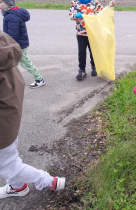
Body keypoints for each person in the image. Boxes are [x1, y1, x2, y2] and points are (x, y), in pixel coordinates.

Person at [0, 31, 65, 199]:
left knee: (9, 164)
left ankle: (48, 181)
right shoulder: (3, 43)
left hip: (3, 121)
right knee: (9, 156)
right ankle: (16, 187)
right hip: (10, 112)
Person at [0, 0, 45, 88]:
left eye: (1, 2)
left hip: (17, 45)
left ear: (8, 4)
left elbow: (13, 35)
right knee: (12, 63)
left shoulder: (12, 16)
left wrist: (9, 45)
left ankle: (39, 79)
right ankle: (11, 82)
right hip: (16, 44)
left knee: (25, 63)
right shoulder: (11, 13)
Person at [69, 0, 115, 80]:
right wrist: (76, 15)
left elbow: (103, 12)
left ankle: (94, 67)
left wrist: (110, 5)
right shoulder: (75, 3)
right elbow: (71, 15)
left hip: (93, 32)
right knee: (82, 52)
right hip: (81, 33)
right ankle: (82, 70)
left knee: (93, 51)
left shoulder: (94, 2)